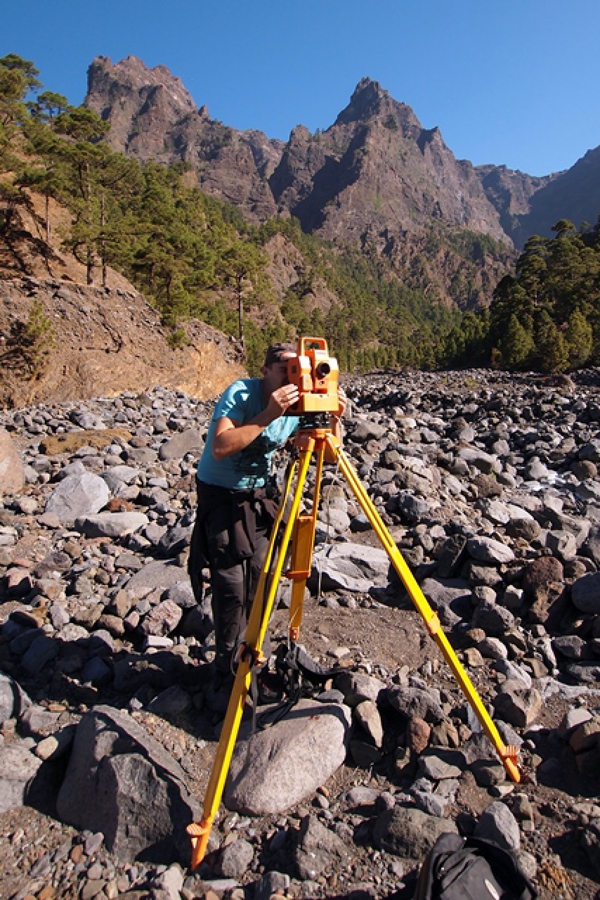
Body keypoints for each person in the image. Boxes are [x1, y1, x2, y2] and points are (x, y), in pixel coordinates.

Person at [189, 341, 346, 690]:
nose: (297, 378)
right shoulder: (243, 393)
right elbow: (220, 445)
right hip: (221, 495)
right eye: (287, 370)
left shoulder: (300, 400)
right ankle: (228, 669)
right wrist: (269, 415)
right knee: (231, 585)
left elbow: (330, 458)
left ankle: (254, 652)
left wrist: (332, 417)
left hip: (260, 495)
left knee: (264, 577)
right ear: (266, 372)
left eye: (301, 370)